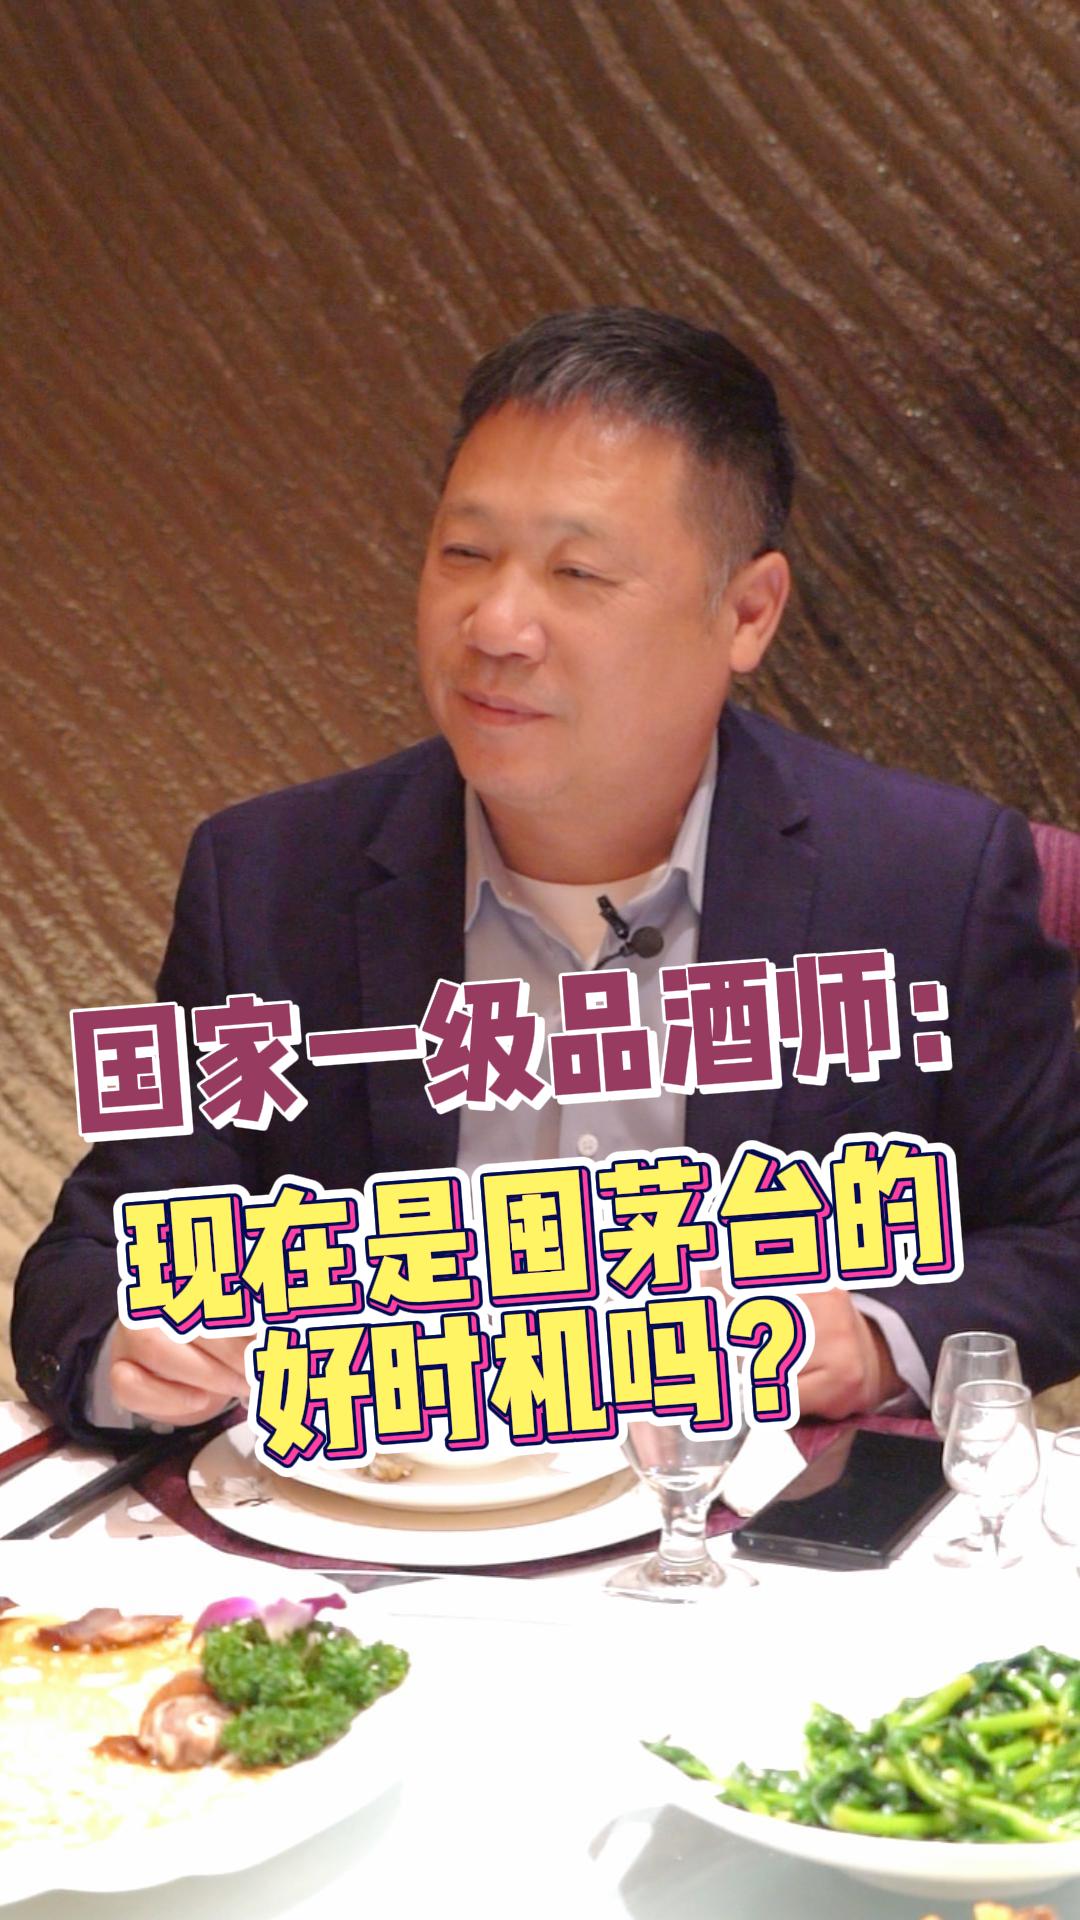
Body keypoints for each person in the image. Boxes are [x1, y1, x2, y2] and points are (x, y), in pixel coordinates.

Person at [12, 307, 1080, 1443]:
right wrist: (131, 1348)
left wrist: (871, 1337)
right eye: (464, 555)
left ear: (747, 612)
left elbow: (1059, 1237)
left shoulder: (928, 878)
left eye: (577, 571)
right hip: (396, 1517)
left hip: (745, 1523)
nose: (497, 625)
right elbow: (95, 1257)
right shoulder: (270, 880)